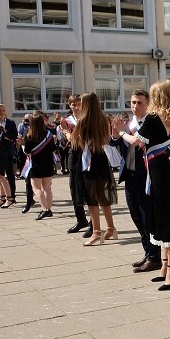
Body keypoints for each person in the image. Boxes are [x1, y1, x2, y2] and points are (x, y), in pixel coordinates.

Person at [134, 80, 170, 290]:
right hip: (161, 169)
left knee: (164, 218)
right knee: (159, 216)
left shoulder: (154, 118)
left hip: (158, 172)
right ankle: (164, 266)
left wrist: (119, 134)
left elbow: (137, 141)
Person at [113, 90, 161, 273]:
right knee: (136, 217)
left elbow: (136, 142)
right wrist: (116, 134)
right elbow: (114, 142)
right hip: (130, 175)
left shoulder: (150, 122)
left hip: (146, 176)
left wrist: (122, 132)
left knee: (148, 217)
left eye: (139, 102)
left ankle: (155, 257)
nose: (135, 106)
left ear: (148, 104)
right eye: (133, 102)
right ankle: (148, 252)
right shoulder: (129, 123)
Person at [71, 93, 117, 244]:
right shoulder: (104, 118)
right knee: (102, 196)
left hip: (89, 161)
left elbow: (74, 141)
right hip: (101, 158)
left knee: (91, 198)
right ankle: (111, 228)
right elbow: (105, 139)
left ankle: (96, 232)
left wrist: (66, 131)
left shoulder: (83, 121)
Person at [58, 95, 91, 237]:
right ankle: (81, 219)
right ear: (69, 105)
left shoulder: (89, 118)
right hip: (75, 152)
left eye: (79, 104)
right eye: (74, 104)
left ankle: (93, 223)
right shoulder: (66, 121)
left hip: (89, 152)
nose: (77, 107)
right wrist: (66, 131)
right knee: (74, 186)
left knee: (89, 188)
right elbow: (69, 138)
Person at [19, 113, 55, 218]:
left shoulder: (29, 136)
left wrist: (22, 144)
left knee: (36, 188)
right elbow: (53, 149)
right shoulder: (48, 134)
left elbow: (27, 151)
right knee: (47, 188)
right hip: (48, 164)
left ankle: (45, 209)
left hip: (36, 165)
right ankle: (49, 208)